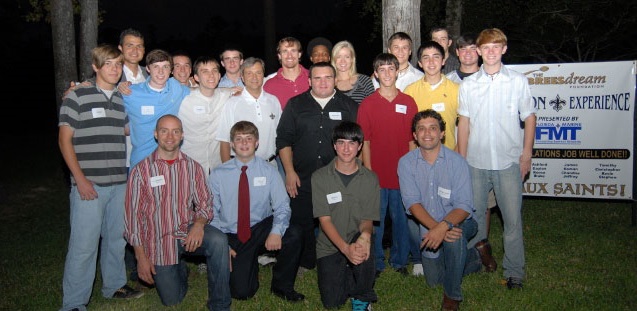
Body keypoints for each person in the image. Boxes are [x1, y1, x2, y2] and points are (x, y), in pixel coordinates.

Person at [58, 44, 142, 311]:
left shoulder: (120, 99)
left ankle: (113, 285)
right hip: (89, 184)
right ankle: (73, 303)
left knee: (116, 239)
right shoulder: (77, 96)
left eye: (118, 64)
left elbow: (132, 129)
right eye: (108, 64)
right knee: (84, 246)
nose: (115, 69)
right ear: (95, 67)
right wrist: (80, 180)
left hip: (119, 182)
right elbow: (64, 141)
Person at [457, 28, 537, 289]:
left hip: (508, 162)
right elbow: (465, 124)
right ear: (478, 51)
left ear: (504, 49)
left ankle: (515, 272)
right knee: (474, 218)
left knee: (512, 220)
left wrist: (526, 154)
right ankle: (474, 262)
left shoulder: (517, 81)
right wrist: (461, 159)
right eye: (486, 47)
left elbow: (529, 117)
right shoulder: (468, 85)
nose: (490, 52)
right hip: (476, 163)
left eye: (496, 47)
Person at [124, 114, 231, 310]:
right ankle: (179, 269)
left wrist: (199, 224)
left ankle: (220, 303)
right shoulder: (141, 171)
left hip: (187, 230)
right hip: (158, 239)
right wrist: (140, 256)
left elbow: (205, 203)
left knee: (218, 240)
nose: (170, 136)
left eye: (175, 131)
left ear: (182, 135)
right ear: (156, 134)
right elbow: (133, 217)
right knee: (172, 300)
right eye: (164, 131)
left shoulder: (193, 167)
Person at [276, 62, 359, 275]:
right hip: (302, 177)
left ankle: (334, 259)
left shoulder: (348, 105)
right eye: (318, 78)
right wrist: (289, 171)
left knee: (337, 221)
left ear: (335, 80)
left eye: (328, 77)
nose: (323, 82)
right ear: (309, 80)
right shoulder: (295, 105)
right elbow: (283, 140)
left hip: (337, 178)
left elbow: (358, 141)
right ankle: (305, 261)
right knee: (302, 222)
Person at [398, 109, 485, 311]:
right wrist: (437, 228)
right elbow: (412, 203)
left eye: (433, 128)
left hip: (461, 221)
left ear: (442, 133)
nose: (427, 134)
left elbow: (464, 206)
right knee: (434, 281)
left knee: (454, 237)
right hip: (427, 225)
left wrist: (444, 227)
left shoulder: (458, 162)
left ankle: (452, 295)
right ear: (414, 135)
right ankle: (476, 255)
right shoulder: (406, 163)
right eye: (421, 129)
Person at [209, 121, 305, 302]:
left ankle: (282, 286)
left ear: (257, 143)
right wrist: (221, 245)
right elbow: (210, 212)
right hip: (232, 234)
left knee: (294, 232)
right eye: (239, 139)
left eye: (249, 139)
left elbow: (282, 206)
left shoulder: (269, 171)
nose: (244, 143)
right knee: (242, 292)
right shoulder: (218, 174)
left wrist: (276, 232)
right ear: (231, 144)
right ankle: (248, 264)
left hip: (260, 228)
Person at [357, 53, 418, 278]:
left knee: (402, 218)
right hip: (378, 175)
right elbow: (366, 142)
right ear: (375, 74)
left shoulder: (408, 102)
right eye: (381, 69)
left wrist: (411, 171)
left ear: (397, 71)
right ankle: (377, 261)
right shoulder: (368, 104)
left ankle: (400, 259)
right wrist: (369, 173)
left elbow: (413, 140)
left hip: (402, 174)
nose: (387, 73)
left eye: (391, 68)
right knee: (377, 220)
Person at [312, 121, 379, 310]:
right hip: (330, 246)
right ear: (334, 146)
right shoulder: (320, 177)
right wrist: (345, 249)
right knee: (332, 303)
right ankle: (348, 271)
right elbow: (324, 220)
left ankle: (362, 297)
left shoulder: (370, 178)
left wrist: (365, 236)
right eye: (341, 142)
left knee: (364, 244)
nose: (346, 148)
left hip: (356, 236)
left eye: (351, 143)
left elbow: (368, 219)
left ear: (359, 147)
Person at [445, 33, 499, 247]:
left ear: (478, 51)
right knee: (454, 199)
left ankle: (481, 245)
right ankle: (454, 243)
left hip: (482, 150)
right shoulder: (448, 80)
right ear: (456, 53)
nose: (467, 53)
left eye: (471, 49)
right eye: (463, 49)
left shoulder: (489, 79)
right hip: (454, 150)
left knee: (483, 201)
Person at [123, 48, 191, 169]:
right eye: (156, 67)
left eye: (165, 67)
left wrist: (228, 90)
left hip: (169, 161)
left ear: (171, 70)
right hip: (141, 161)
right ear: (148, 69)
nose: (161, 72)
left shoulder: (176, 88)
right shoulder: (131, 92)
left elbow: (200, 91)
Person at [217, 57, 281, 166]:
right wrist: (227, 171)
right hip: (241, 166)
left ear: (263, 75)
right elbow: (224, 140)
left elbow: (281, 134)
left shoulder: (273, 101)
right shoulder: (232, 103)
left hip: (270, 165)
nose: (254, 77)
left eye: (258, 72)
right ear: (242, 77)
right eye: (249, 73)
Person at [178, 55, 233, 174]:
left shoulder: (225, 95)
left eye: (214, 71)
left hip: (216, 164)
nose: (211, 75)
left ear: (219, 75)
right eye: (205, 72)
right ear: (196, 77)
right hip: (189, 164)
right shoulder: (183, 99)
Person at [404, 40, 459, 150]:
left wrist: (457, 154)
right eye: (426, 58)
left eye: (436, 57)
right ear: (420, 63)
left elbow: (465, 126)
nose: (431, 62)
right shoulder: (410, 91)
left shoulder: (457, 90)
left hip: (449, 155)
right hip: (419, 156)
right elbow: (407, 129)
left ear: (443, 61)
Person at [263, 36, 310, 109]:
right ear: (279, 56)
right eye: (285, 51)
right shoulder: (269, 85)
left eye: (293, 51)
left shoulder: (313, 77)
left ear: (299, 54)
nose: (289, 56)